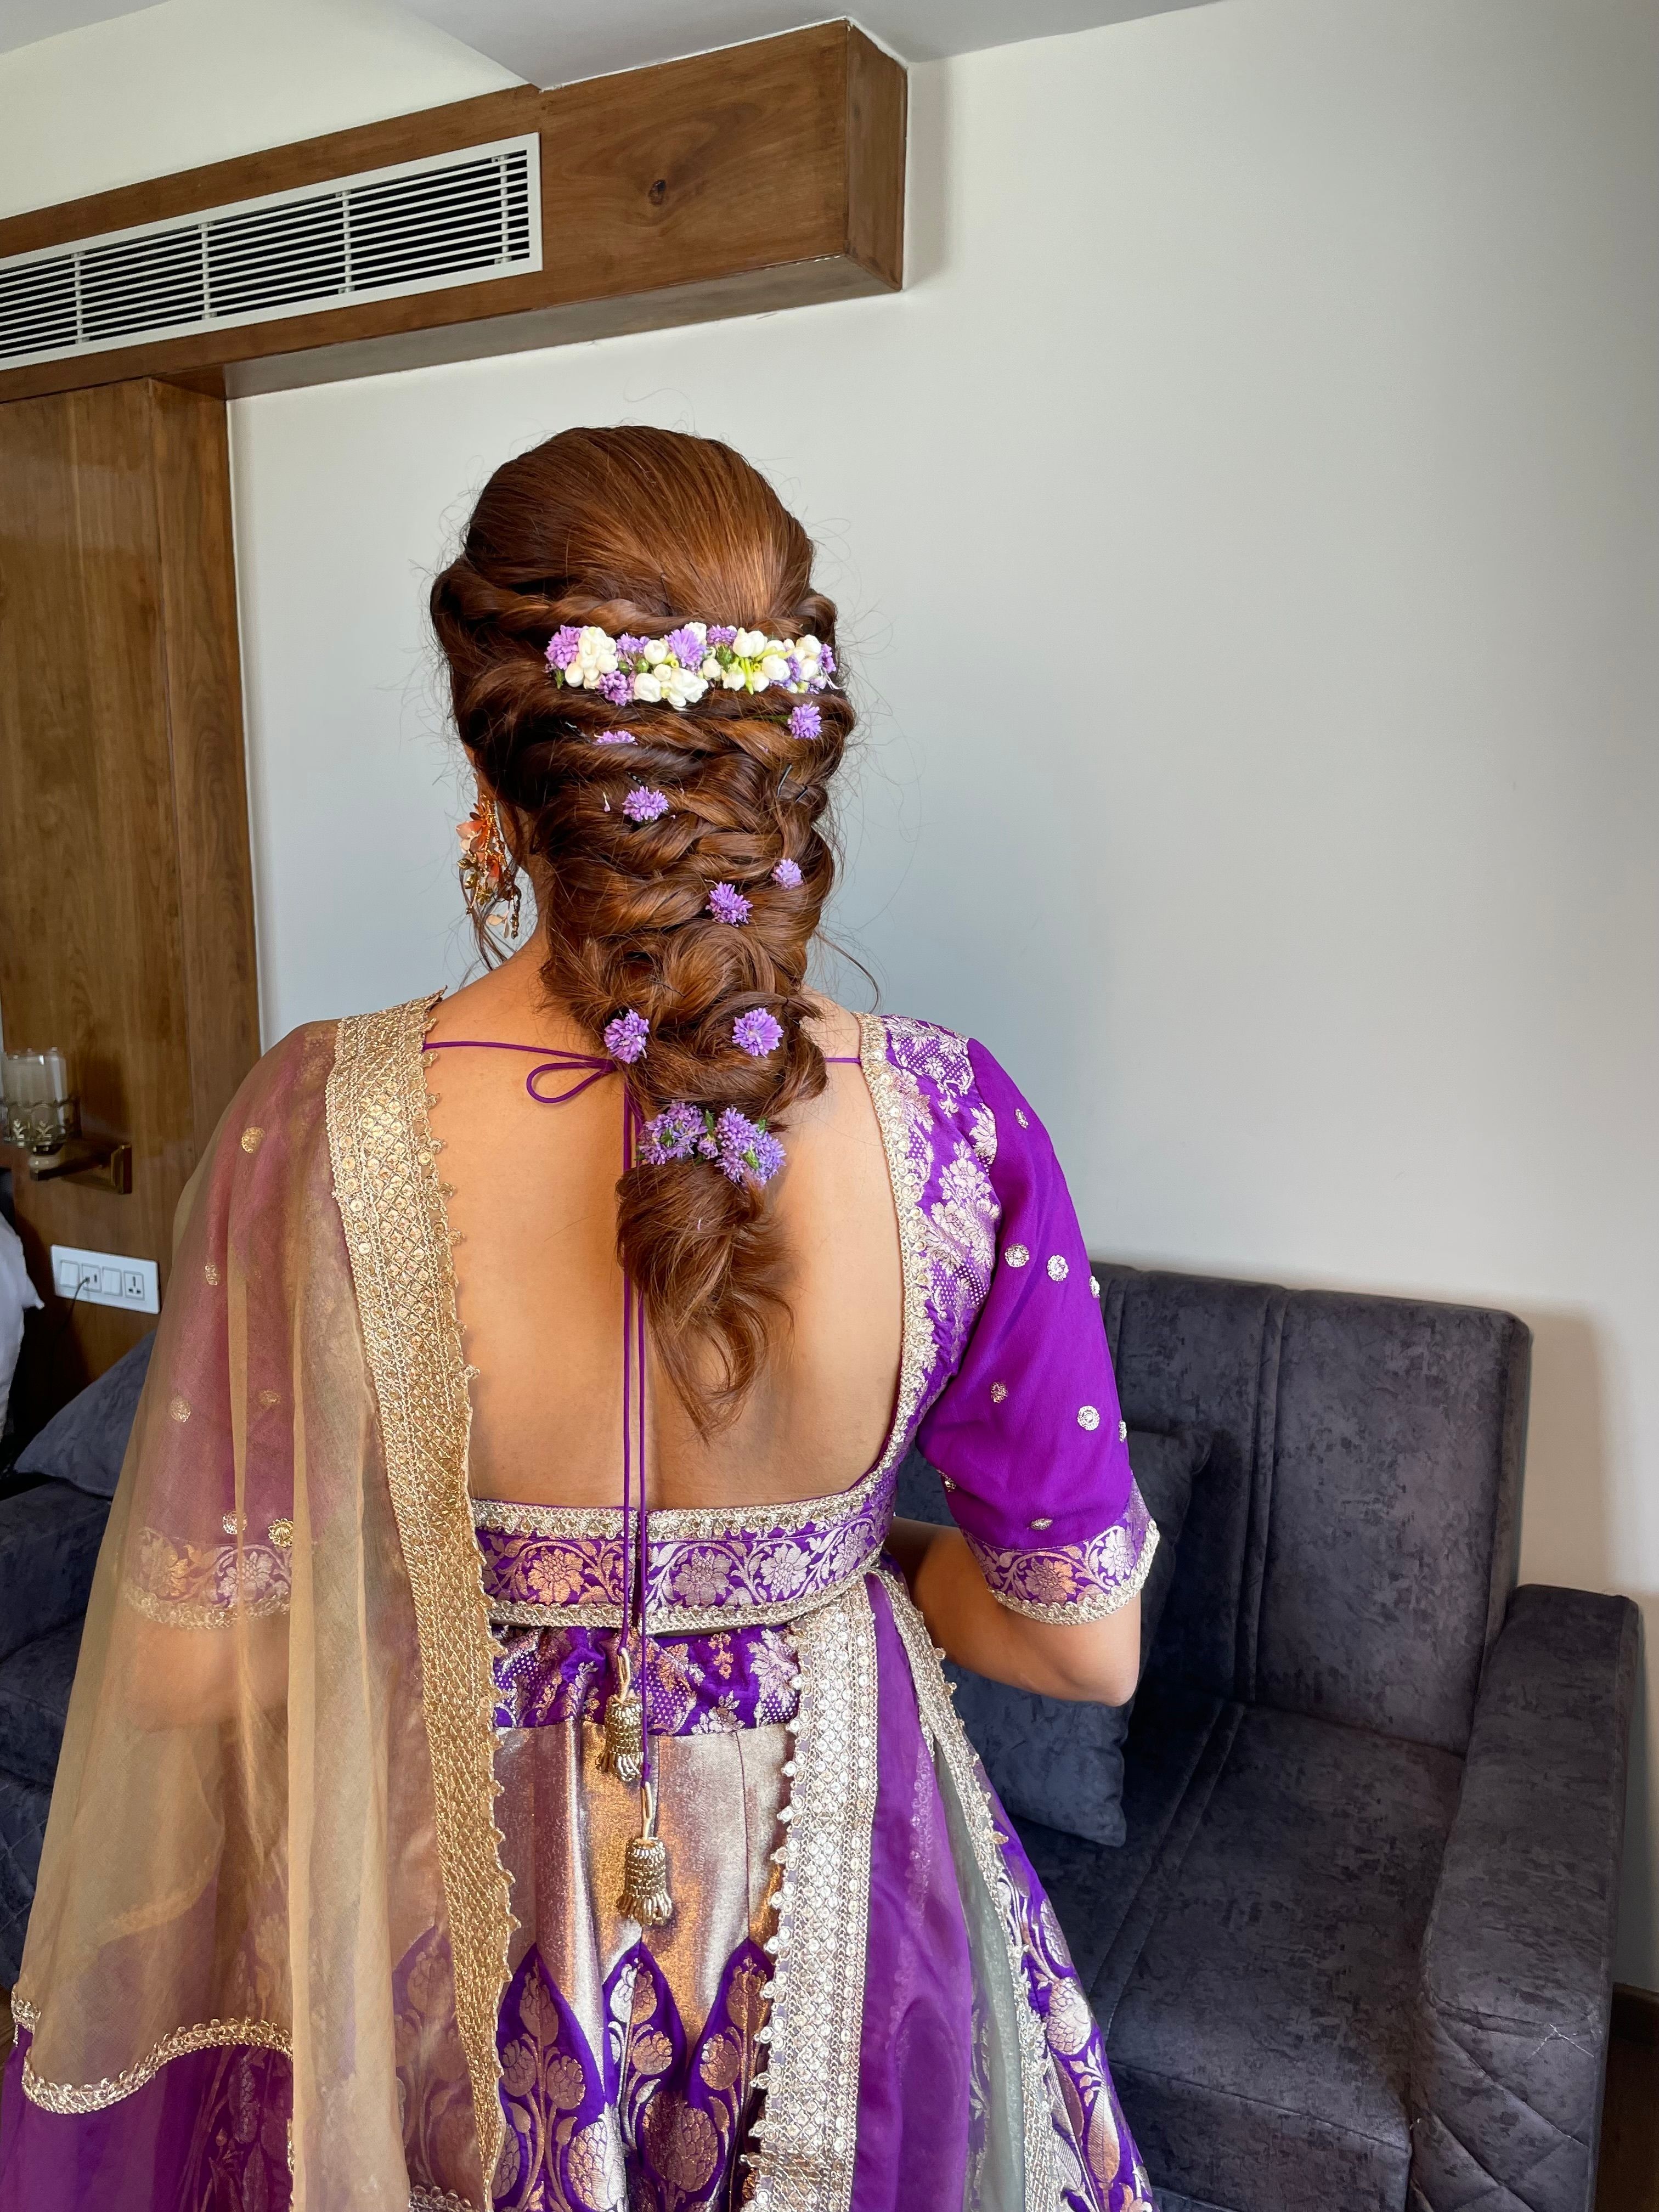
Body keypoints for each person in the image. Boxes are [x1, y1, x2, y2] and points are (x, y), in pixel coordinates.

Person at [0, 427, 1159, 2211]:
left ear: (498, 771)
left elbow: (178, 1667)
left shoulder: (317, 1120)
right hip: (844, 1898)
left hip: (441, 1899)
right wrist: (841, 1559)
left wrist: (424, 1563)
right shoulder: (961, 1125)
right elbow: (1082, 1649)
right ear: (786, 764)